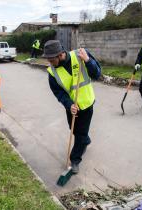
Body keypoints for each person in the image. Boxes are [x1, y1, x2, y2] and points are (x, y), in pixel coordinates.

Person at [43, 40, 101, 174]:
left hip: (86, 103)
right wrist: (69, 105)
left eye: (51, 59)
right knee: (74, 130)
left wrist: (87, 61)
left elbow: (97, 74)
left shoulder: (80, 55)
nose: (50, 63)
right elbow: (59, 93)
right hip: (72, 108)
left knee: (79, 135)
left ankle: (75, 160)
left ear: (60, 54)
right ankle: (86, 140)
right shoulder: (52, 72)